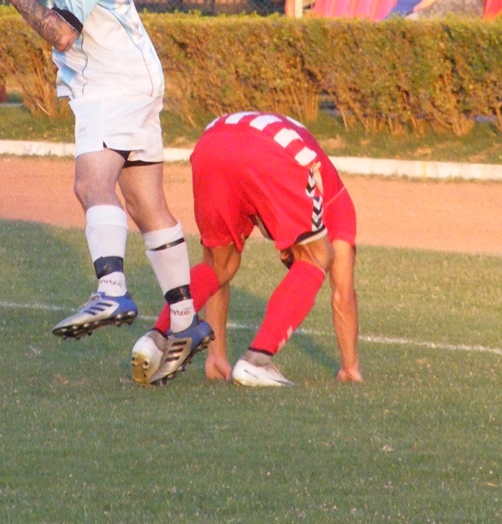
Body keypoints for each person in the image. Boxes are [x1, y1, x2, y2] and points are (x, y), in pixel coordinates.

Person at [0, 0, 213, 385]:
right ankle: (184, 321)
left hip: (111, 82)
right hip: (135, 74)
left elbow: (61, 32)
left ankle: (111, 289)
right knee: (146, 203)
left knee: (90, 184)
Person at [137, 111, 361, 386]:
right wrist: (350, 366)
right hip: (270, 148)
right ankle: (257, 361)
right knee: (318, 256)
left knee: (219, 265)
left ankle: (156, 339)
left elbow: (218, 277)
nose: (283, 254)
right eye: (288, 258)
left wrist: (216, 355)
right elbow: (343, 296)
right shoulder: (338, 206)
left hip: (211, 143)